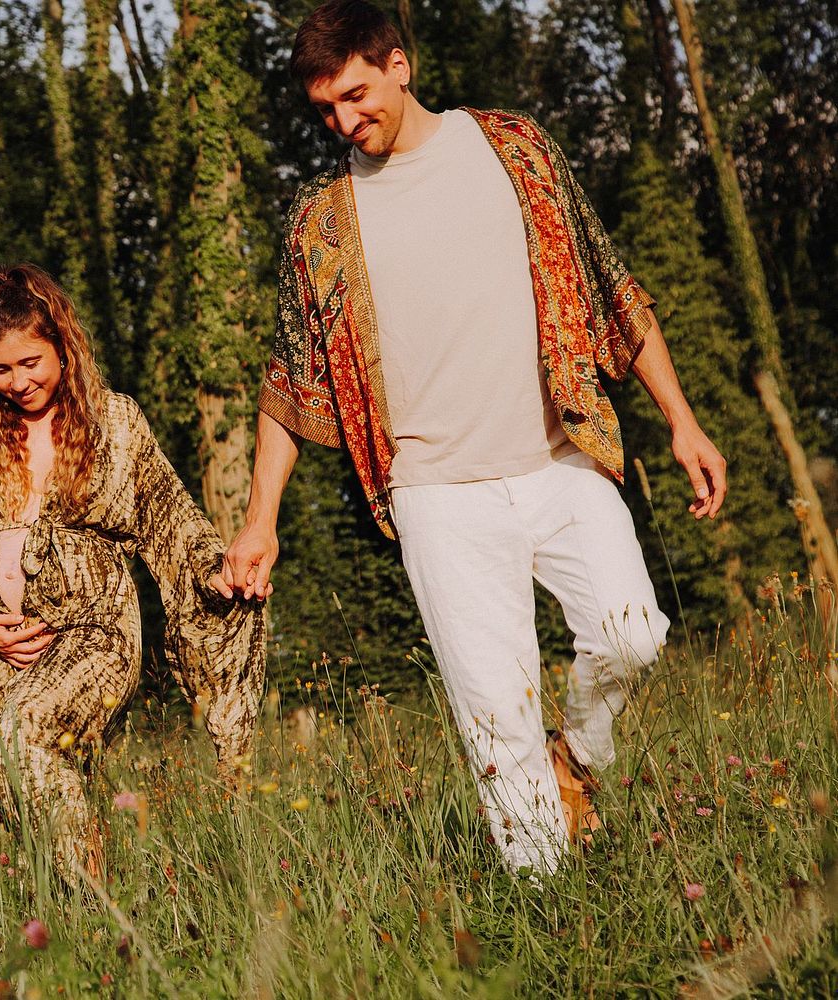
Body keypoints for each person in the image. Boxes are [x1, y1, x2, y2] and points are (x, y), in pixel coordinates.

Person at [219, 0, 727, 875]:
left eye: (354, 95)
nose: (344, 121)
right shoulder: (321, 224)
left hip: (558, 460)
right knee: (495, 714)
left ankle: (581, 755)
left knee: (633, 627)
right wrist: (260, 521)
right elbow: (290, 383)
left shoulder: (514, 150)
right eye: (326, 110)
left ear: (398, 64)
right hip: (436, 496)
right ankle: (548, 911)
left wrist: (681, 419)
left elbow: (610, 285)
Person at [0, 263, 265, 883]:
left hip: (93, 631)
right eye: (1, 369)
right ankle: (79, 917)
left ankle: (85, 903)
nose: (19, 382)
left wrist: (216, 574)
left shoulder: (114, 421)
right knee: (28, 786)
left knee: (21, 735)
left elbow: (169, 515)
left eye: (32, 362)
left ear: (63, 347)